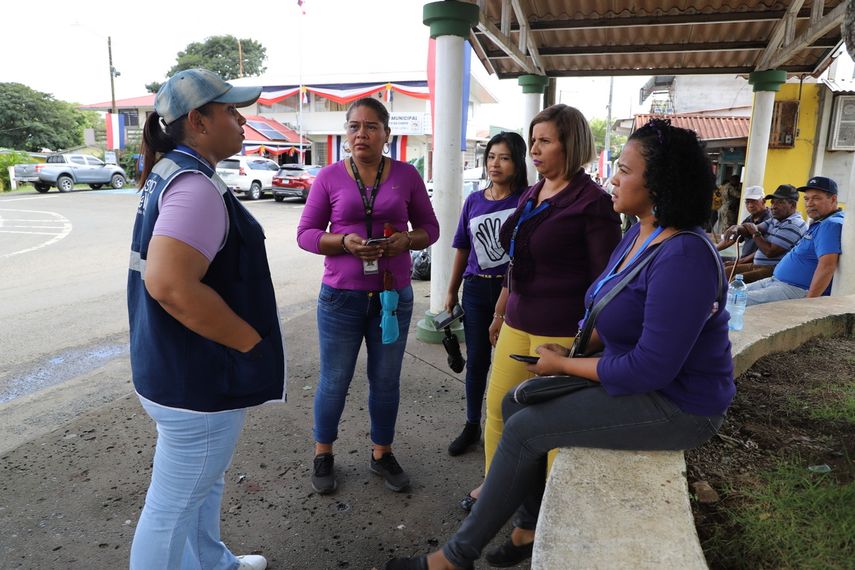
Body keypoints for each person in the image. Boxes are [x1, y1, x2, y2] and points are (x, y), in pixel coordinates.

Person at [385, 118, 734, 570]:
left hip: (680, 404)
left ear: (659, 182)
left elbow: (651, 369)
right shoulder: (640, 233)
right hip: (634, 376)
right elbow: (610, 311)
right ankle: (528, 527)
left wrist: (565, 367)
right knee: (516, 402)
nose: (614, 177)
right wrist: (575, 349)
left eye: (625, 170)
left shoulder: (683, 254)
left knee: (527, 428)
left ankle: (453, 558)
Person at [127, 69, 285, 570]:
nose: (242, 120)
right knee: (171, 508)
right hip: (195, 379)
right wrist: (249, 343)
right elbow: (170, 285)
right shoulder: (193, 186)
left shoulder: (173, 171)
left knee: (200, 483)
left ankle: (213, 563)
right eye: (232, 111)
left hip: (173, 370)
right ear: (198, 120)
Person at [461, 104, 621, 511]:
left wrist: (589, 340)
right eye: (532, 141)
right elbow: (515, 261)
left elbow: (605, 280)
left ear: (570, 144)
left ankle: (551, 508)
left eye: (544, 141)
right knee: (500, 410)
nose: (534, 149)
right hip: (517, 319)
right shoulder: (533, 192)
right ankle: (493, 490)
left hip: (560, 330)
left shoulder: (592, 202)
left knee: (551, 425)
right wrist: (499, 312)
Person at [296, 97, 439, 495]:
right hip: (341, 297)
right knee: (335, 379)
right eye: (355, 126)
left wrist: (405, 241)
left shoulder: (407, 175)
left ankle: (382, 454)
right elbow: (306, 234)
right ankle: (323, 452)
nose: (362, 134)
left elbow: (431, 227)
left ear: (386, 134)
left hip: (392, 297)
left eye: (371, 126)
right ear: (347, 134)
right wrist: (343, 242)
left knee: (386, 380)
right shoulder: (329, 177)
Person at [443, 132, 528, 457]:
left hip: (514, 290)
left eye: (504, 157)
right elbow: (462, 247)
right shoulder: (474, 200)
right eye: (491, 156)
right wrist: (451, 291)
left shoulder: (525, 201)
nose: (495, 163)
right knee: (478, 360)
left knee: (512, 361)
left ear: (517, 162)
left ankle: (511, 426)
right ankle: (471, 424)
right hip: (477, 289)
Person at [743, 176, 845, 306]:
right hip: (777, 281)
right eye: (807, 199)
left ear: (833, 199)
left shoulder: (830, 224)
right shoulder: (822, 222)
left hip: (792, 289)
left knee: (731, 300)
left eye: (816, 198)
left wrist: (807, 304)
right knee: (727, 293)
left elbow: (827, 266)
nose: (809, 203)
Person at [724, 184, 807, 283]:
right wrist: (737, 227)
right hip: (759, 265)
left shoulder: (793, 224)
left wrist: (755, 233)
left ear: (793, 205)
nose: (773, 207)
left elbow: (769, 252)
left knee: (737, 281)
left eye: (780, 202)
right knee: (726, 272)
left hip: (774, 269)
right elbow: (751, 228)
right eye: (772, 202)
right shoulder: (775, 220)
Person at [714, 184, 771, 261]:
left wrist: (742, 261)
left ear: (763, 201)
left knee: (725, 268)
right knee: (713, 260)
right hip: (743, 259)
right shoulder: (749, 219)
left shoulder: (770, 219)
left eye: (754, 202)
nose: (750, 205)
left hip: (756, 261)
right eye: (747, 202)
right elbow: (731, 240)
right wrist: (713, 249)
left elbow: (766, 249)